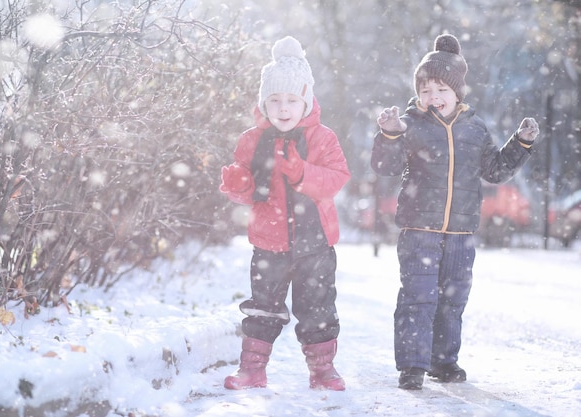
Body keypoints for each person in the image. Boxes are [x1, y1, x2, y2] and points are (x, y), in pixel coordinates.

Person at [370, 34, 539, 390]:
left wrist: (520, 144)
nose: (434, 97)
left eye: (442, 89)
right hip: (419, 230)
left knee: (453, 298)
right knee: (418, 296)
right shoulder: (409, 124)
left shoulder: (474, 128)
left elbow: (494, 170)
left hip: (461, 231)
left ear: (457, 93)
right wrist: (389, 135)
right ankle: (413, 364)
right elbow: (384, 167)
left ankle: (442, 361)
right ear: (418, 93)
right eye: (427, 89)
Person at [219, 36, 351, 391]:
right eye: (275, 99)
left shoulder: (322, 138)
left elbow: (336, 178)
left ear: (306, 100)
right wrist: (237, 182)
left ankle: (322, 370)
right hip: (269, 240)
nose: (283, 107)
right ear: (264, 102)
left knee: (317, 307)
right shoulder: (252, 139)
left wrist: (301, 173)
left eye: (292, 99)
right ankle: (252, 369)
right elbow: (247, 192)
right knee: (263, 306)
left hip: (315, 243)